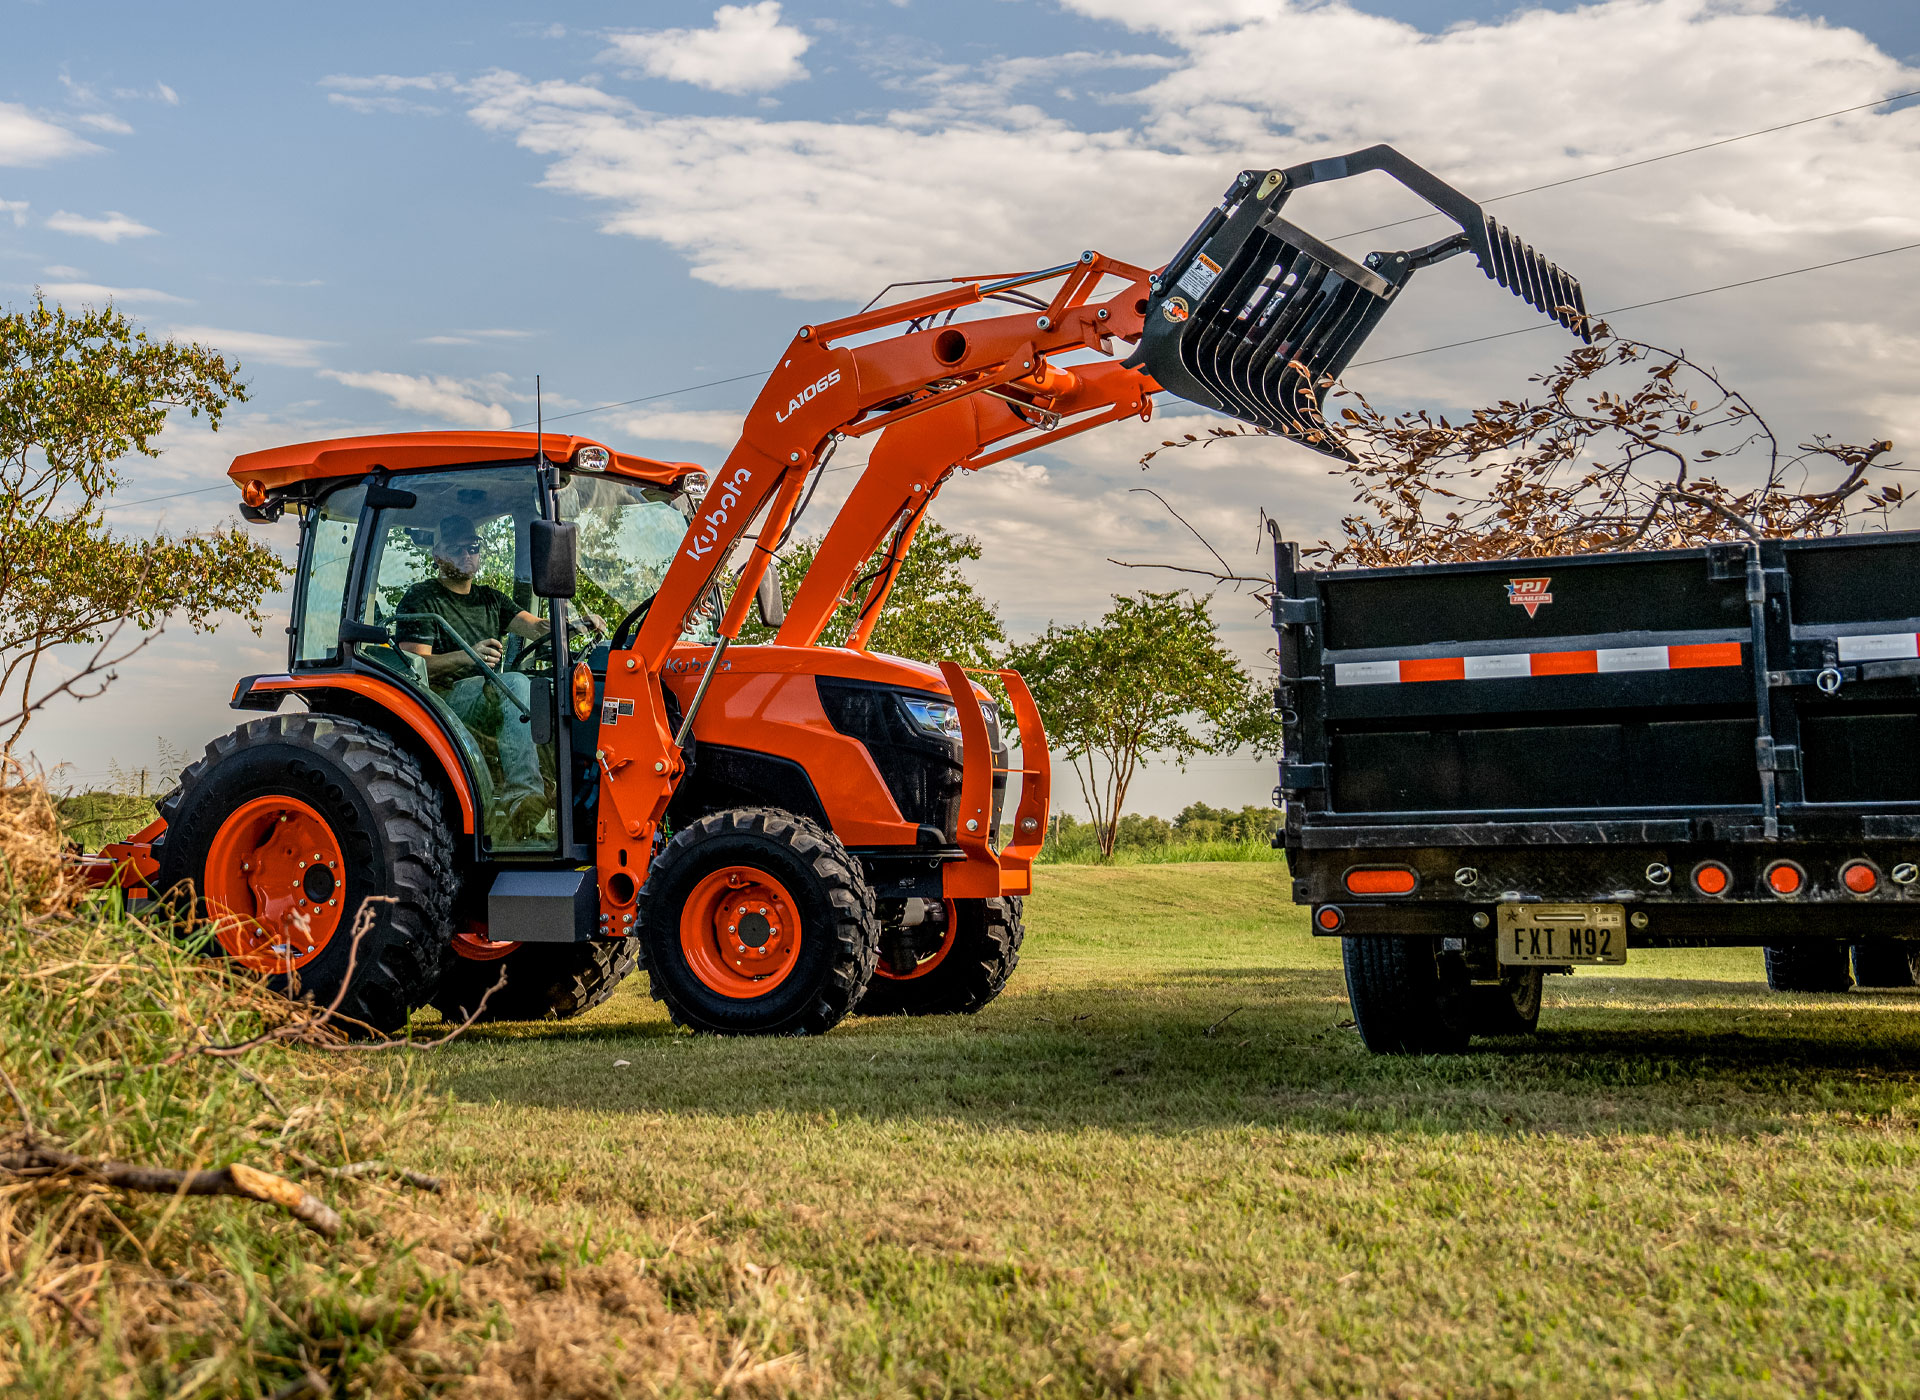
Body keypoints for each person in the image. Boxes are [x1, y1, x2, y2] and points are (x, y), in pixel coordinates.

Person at [396, 514, 551, 835]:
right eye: (456, 548)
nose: (467, 554)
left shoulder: (490, 598)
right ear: (438, 555)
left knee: (546, 690)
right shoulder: (422, 598)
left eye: (473, 546)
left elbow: (536, 627)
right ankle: (522, 795)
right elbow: (413, 666)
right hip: (441, 706)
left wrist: (572, 626)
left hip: (489, 697)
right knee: (516, 683)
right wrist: (470, 655)